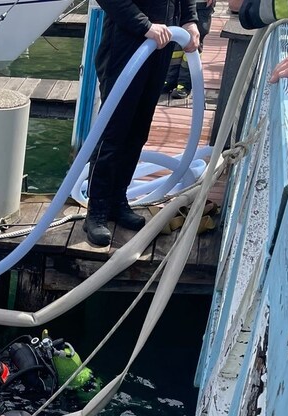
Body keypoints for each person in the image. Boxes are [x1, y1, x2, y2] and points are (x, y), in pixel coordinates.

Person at [84, 0, 201, 248]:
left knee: (138, 131)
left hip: (160, 46)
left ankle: (118, 201)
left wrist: (189, 19)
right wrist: (144, 25)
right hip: (126, 45)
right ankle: (97, 211)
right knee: (113, 133)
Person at [163, 0, 215, 98]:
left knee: (194, 42)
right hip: (179, 4)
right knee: (175, 40)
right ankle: (170, 78)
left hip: (202, 4)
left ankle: (185, 83)